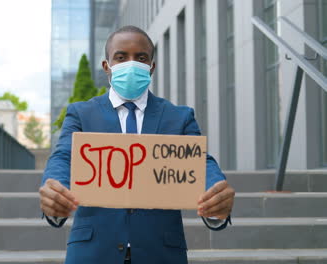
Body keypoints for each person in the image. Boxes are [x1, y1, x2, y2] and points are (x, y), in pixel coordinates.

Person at [39, 25, 235, 264]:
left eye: (140, 58)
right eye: (121, 57)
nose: (131, 64)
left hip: (161, 253)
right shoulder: (81, 113)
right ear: (106, 66)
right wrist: (55, 189)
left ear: (151, 67)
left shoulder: (179, 117)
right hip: (93, 253)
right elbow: (63, 157)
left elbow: (200, 161)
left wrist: (216, 196)